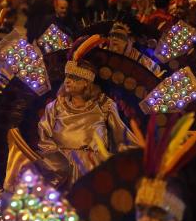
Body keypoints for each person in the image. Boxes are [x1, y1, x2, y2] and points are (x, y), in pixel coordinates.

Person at [38, 59, 135, 189]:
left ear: (86, 82)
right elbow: (44, 137)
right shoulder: (55, 106)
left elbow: (121, 135)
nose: (67, 81)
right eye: (66, 76)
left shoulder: (104, 105)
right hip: (61, 166)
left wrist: (138, 157)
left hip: (94, 166)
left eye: (74, 78)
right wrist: (58, 161)